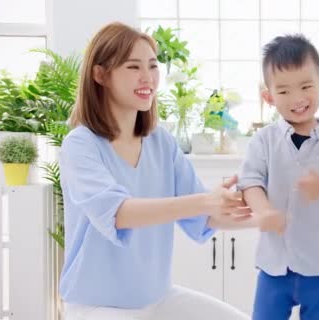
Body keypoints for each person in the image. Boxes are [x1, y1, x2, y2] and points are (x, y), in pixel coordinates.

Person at [59, 22, 254, 320]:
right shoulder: (80, 145)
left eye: (153, 66)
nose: (147, 77)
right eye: (133, 66)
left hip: (158, 298)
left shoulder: (161, 142)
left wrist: (266, 211)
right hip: (97, 306)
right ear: (100, 75)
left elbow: (206, 215)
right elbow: (118, 213)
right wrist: (205, 201)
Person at [237, 34, 319, 320]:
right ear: (268, 97)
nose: (297, 99)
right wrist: (264, 212)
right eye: (283, 91)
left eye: (306, 87)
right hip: (274, 265)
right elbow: (251, 182)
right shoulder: (263, 140)